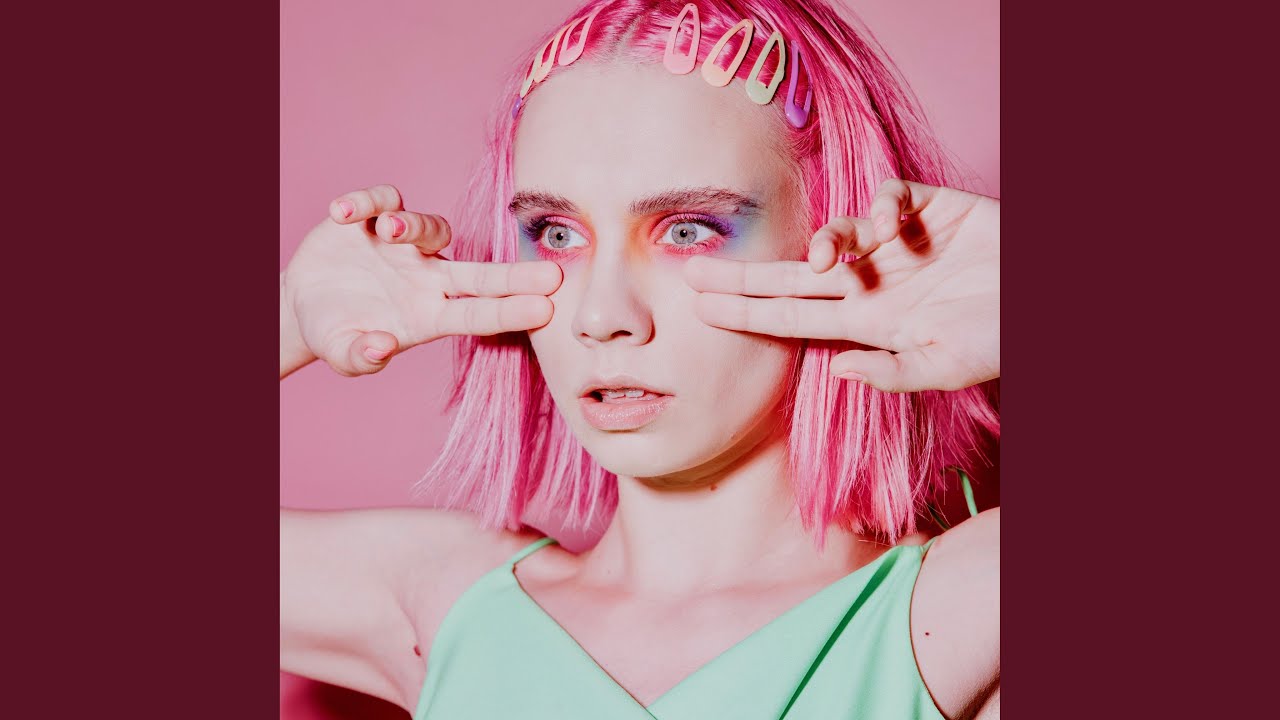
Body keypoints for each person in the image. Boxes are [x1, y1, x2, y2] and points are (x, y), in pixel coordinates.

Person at [280, 1, 1000, 718]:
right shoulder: (443, 604)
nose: (600, 317)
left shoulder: (959, 612)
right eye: (556, 234)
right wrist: (288, 315)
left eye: (687, 230)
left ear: (833, 231)